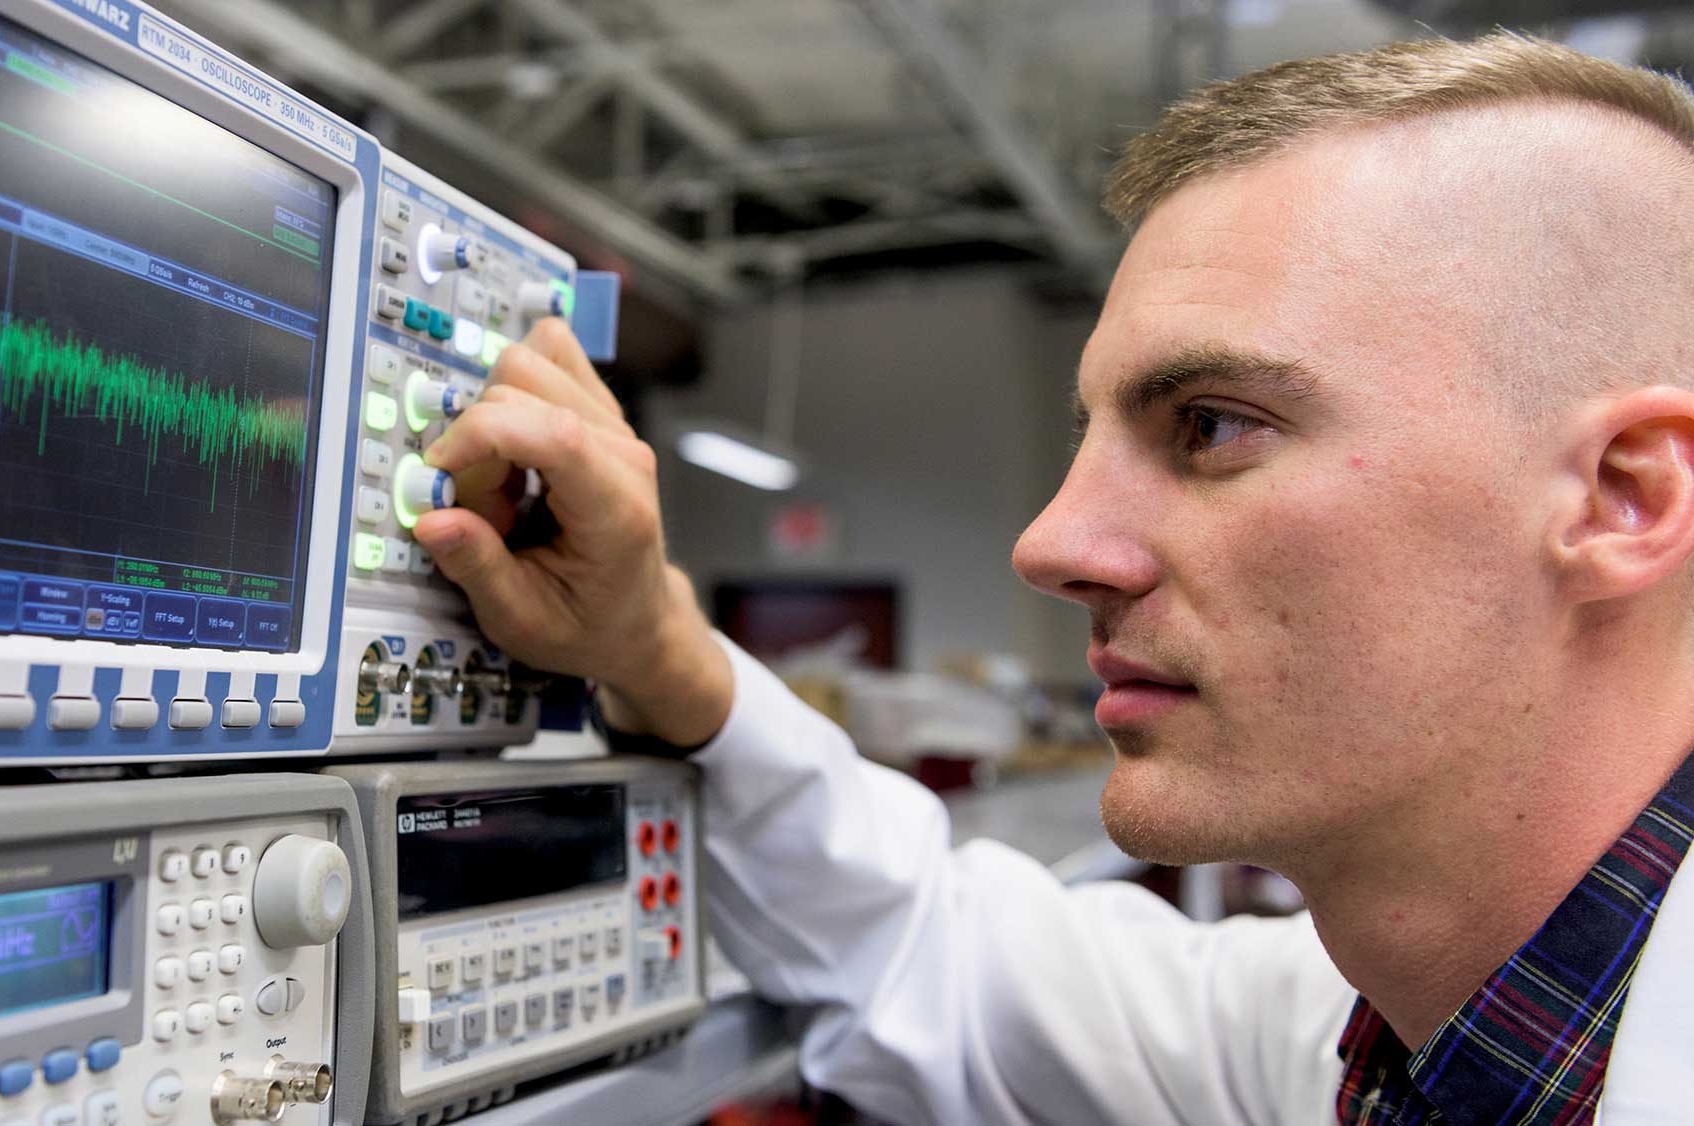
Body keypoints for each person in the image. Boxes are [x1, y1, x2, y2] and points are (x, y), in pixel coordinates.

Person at [411, 33, 1694, 1125]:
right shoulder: (1372, 1033)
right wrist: (649, 649)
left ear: (1619, 496)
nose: (1047, 545)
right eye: (1090, 438)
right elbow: (927, 952)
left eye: (1210, 423)